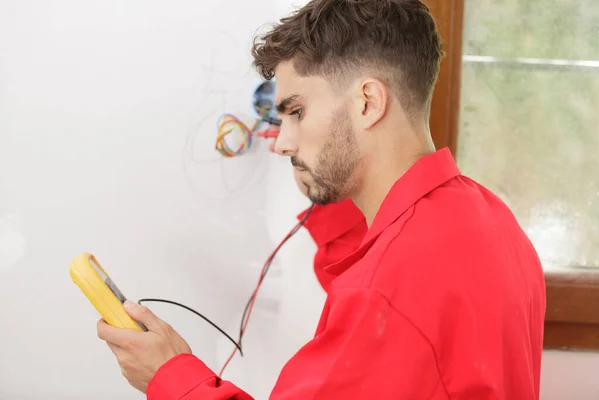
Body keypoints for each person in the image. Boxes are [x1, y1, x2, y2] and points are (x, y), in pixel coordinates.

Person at [97, 0, 547, 398]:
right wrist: (325, 182)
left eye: (297, 112)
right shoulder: (486, 217)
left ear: (368, 102)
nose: (280, 143)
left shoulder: (386, 289)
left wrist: (169, 376)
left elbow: (387, 303)